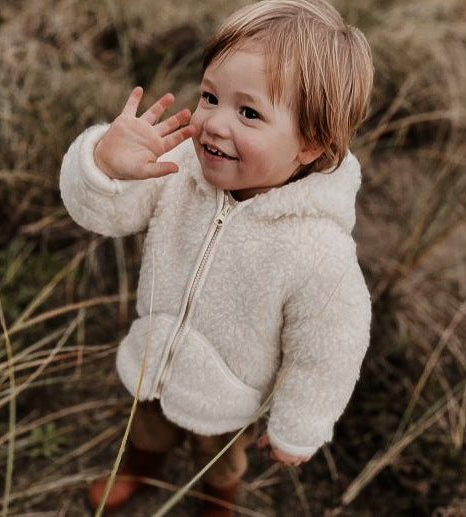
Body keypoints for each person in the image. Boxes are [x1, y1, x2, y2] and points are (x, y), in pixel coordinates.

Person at [60, 0, 374, 515]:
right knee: (146, 430)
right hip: (153, 363)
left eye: (249, 112)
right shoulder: (180, 167)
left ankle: (217, 498)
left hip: (230, 400)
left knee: (220, 463)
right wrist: (105, 166)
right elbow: (103, 214)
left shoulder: (321, 252)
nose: (214, 125)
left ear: (311, 144)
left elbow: (328, 353)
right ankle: (140, 468)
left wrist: (298, 429)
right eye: (210, 96)